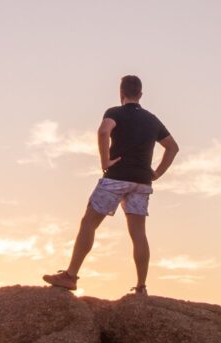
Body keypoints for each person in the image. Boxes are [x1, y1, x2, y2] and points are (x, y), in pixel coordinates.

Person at [42, 75, 179, 295]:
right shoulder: (152, 120)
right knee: (138, 233)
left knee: (89, 223)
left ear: (121, 93)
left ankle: (70, 275)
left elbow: (104, 131)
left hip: (116, 178)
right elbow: (172, 147)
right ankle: (141, 287)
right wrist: (156, 173)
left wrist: (105, 162)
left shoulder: (115, 112)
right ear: (140, 94)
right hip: (141, 182)